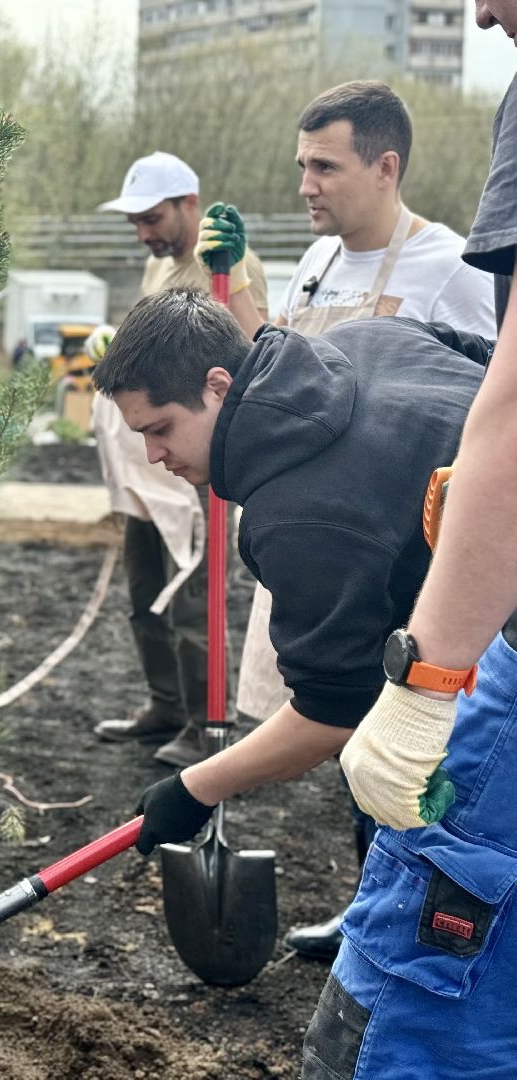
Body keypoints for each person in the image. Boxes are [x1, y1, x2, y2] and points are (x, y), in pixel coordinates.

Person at [201, 81, 497, 961]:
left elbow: (487, 400)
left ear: (386, 165)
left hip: (433, 555)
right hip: (340, 542)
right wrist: (242, 291)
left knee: (433, 757)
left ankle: (426, 911)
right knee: (355, 733)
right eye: (300, 166)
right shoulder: (316, 264)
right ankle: (371, 901)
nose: (306, 186)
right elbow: (278, 373)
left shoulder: (451, 266)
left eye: (324, 166)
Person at [94, 285, 491, 921]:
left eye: (161, 428)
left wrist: (194, 788)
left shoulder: (296, 518)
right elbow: (495, 366)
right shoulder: (367, 338)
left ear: (219, 386)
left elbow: (332, 711)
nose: (153, 454)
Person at [299, 6, 517, 1074]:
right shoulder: (310, 267)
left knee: (411, 1015)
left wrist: (431, 677)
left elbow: (512, 410)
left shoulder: (446, 260)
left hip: (470, 608)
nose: (476, 11)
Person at [89, 152, 269, 770]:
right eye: (136, 222)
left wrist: (234, 278)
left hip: (200, 464)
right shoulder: (157, 265)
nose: (145, 232)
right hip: (151, 465)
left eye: (154, 217)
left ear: (190, 204)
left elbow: (255, 354)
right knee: (145, 587)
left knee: (194, 598)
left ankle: (202, 722)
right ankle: (166, 704)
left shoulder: (228, 267)